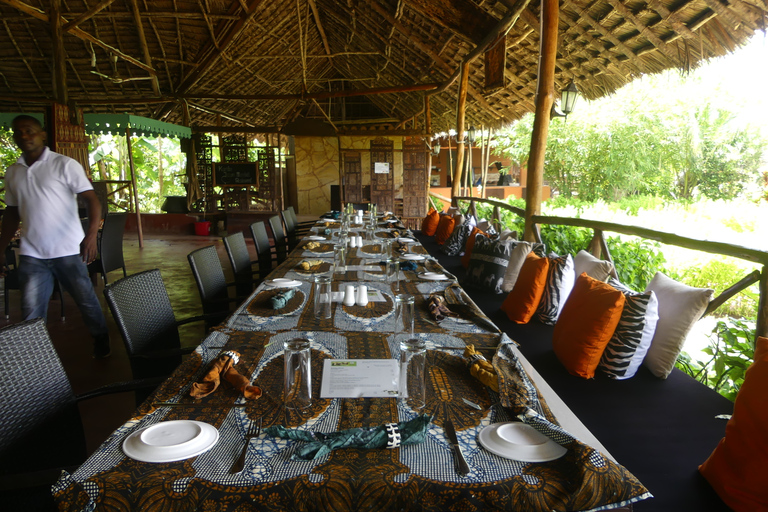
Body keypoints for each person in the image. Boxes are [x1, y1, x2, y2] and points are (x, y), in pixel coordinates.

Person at [0, 115, 110, 358]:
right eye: (19, 132)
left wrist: (90, 236)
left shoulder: (64, 164)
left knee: (86, 301)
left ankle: (101, 338)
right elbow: (11, 212)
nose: (24, 136)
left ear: (42, 135)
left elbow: (92, 200)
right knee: (30, 311)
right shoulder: (13, 172)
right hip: (32, 254)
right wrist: (0, 248)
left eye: (29, 130)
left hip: (69, 251)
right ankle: (34, 359)